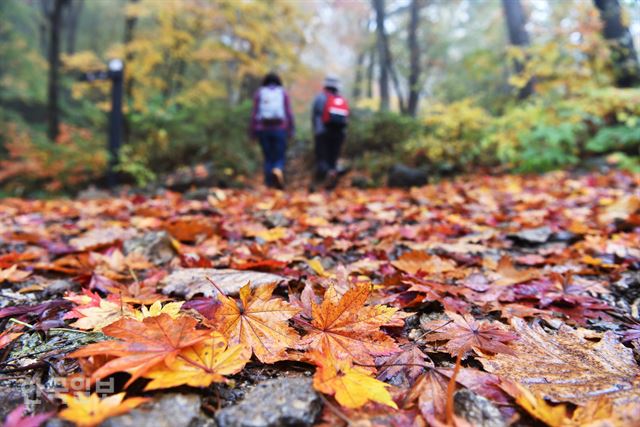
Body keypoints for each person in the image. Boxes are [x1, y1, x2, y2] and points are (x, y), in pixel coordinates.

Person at [250, 72, 295, 189]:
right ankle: (278, 169)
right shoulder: (282, 93)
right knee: (279, 155)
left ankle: (268, 183)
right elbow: (288, 112)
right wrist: (291, 130)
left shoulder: (260, 93)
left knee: (268, 157)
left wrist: (253, 132)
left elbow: (254, 113)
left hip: (263, 129)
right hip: (280, 129)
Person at [311, 75, 349, 190]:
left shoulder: (319, 98)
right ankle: (331, 184)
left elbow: (314, 116)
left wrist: (316, 131)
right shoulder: (340, 99)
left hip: (322, 132)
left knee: (322, 158)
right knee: (333, 158)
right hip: (339, 134)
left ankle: (319, 185)